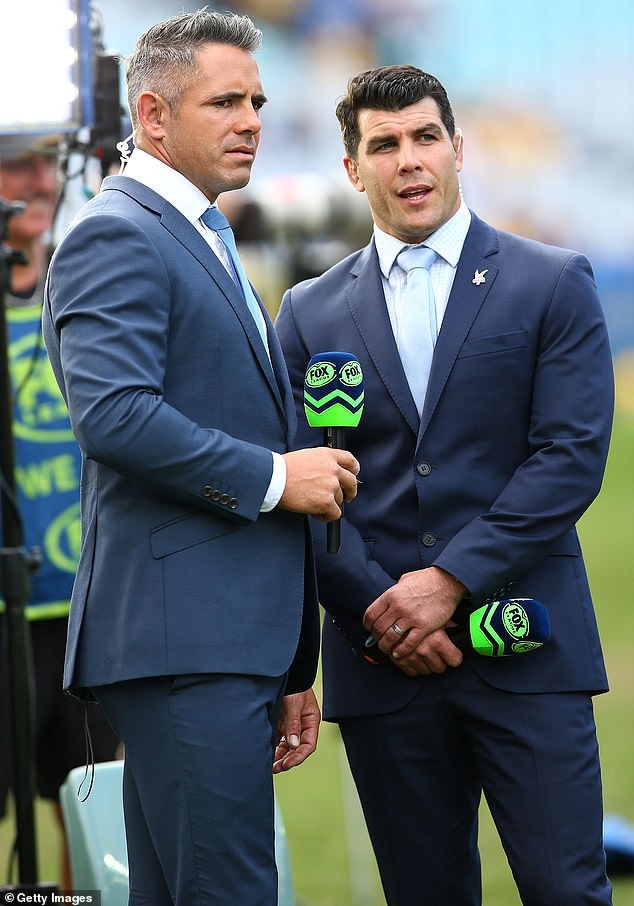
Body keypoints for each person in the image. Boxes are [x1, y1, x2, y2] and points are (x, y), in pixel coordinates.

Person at [275, 64, 614, 905]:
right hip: (385, 659)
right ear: (353, 170)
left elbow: (570, 455)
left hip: (526, 648)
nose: (410, 160)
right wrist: (385, 612)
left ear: (458, 148)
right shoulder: (307, 313)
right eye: (384, 144)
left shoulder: (552, 280)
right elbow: (303, 491)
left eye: (425, 137)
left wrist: (448, 581)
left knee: (566, 891)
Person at [42, 9, 359, 906]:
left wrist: (293, 665)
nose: (252, 119)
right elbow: (114, 415)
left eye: (257, 99)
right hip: (186, 642)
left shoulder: (204, 233)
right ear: (151, 114)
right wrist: (275, 477)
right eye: (225, 101)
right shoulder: (120, 232)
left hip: (225, 644)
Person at [0, 134, 120, 888]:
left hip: (91, 604)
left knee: (90, 805)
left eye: (50, 162)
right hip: (5, 608)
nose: (42, 181)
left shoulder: (86, 286)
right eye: (18, 165)